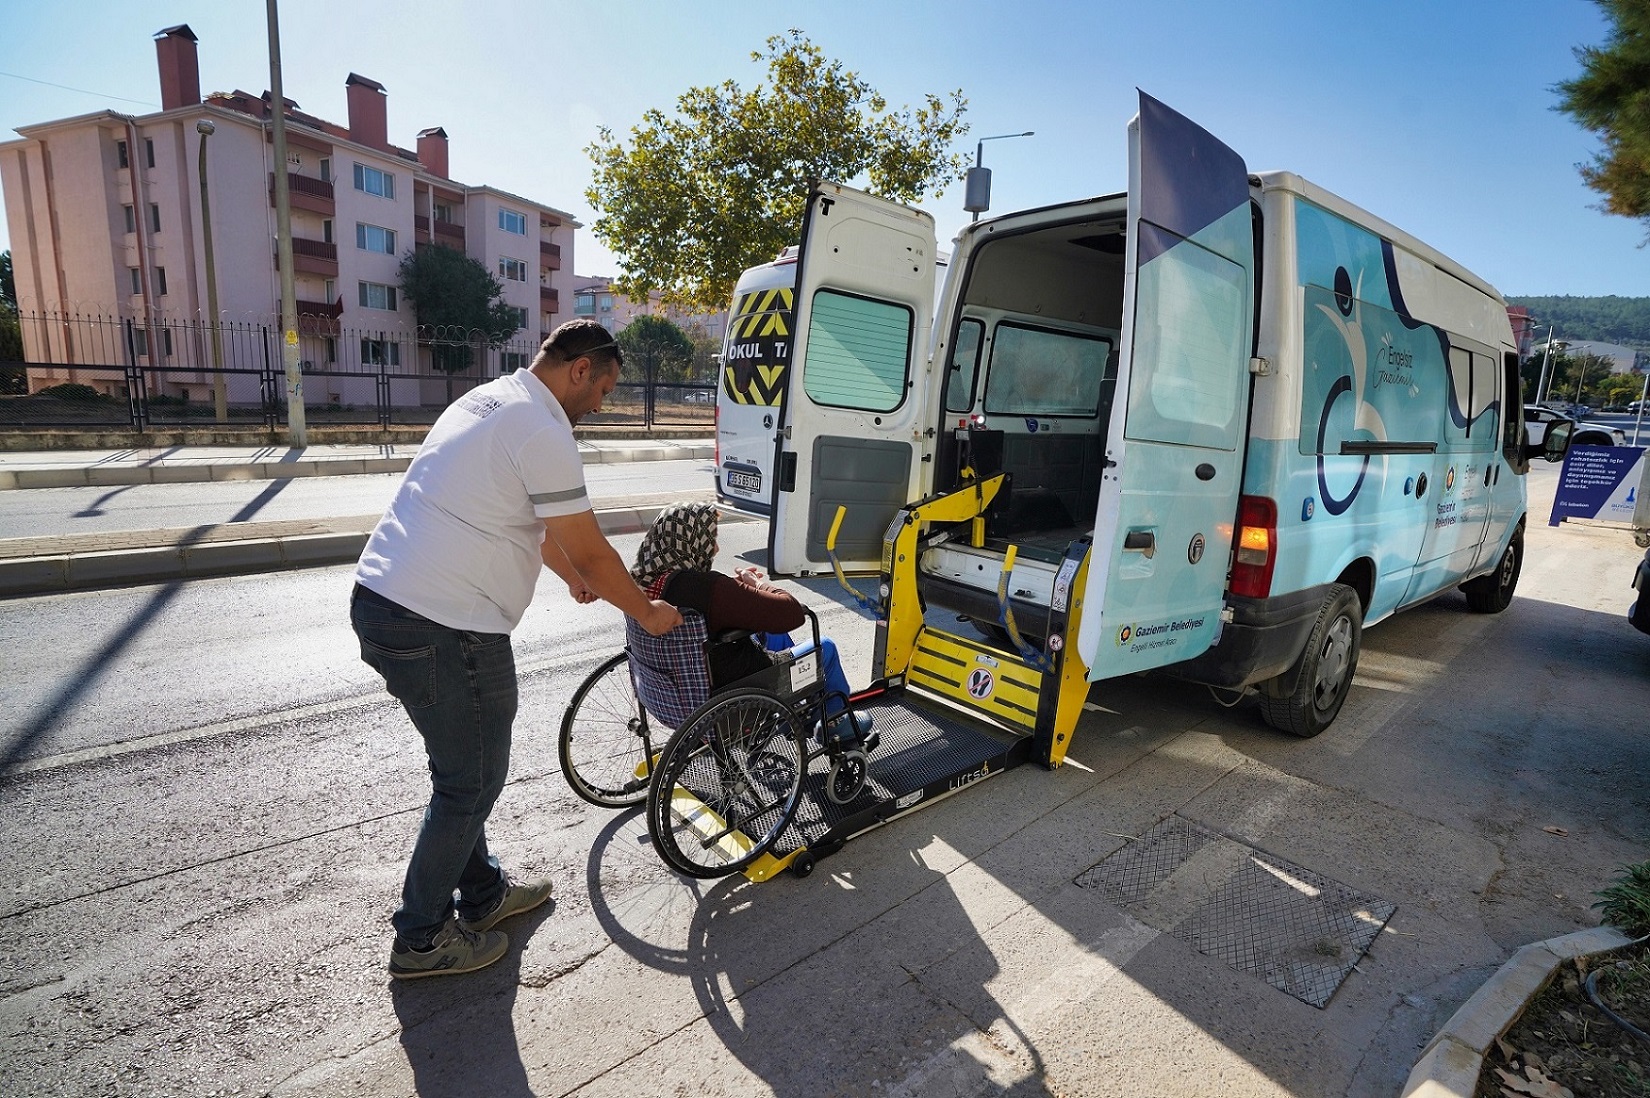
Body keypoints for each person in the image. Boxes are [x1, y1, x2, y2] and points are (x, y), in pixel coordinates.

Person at [351, 319, 682, 980]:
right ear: (580, 369)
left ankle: (483, 896)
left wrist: (571, 576)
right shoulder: (542, 429)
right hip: (446, 625)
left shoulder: (491, 399)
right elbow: (591, 547)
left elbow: (535, 527)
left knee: (461, 771)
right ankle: (420, 939)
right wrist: (646, 612)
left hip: (386, 604)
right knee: (470, 782)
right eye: (603, 389)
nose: (601, 405)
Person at [628, 501, 870, 740]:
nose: (715, 549)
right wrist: (757, 585)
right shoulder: (706, 589)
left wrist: (740, 593)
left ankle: (793, 710)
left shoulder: (638, 588)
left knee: (772, 632)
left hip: (671, 698)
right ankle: (834, 725)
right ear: (691, 539)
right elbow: (792, 613)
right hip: (732, 694)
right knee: (826, 647)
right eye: (710, 538)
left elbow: (720, 608)